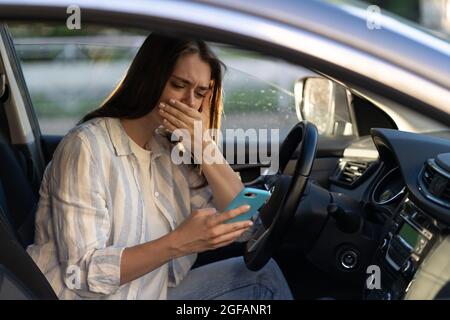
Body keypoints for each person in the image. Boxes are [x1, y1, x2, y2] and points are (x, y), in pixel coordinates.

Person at [26, 33, 293, 300]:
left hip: (151, 293)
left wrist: (205, 148)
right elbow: (82, 274)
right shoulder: (86, 147)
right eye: (179, 85)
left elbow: (243, 226)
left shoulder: (169, 149)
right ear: (148, 78)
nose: (190, 103)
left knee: (263, 277)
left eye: (200, 93)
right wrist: (177, 243)